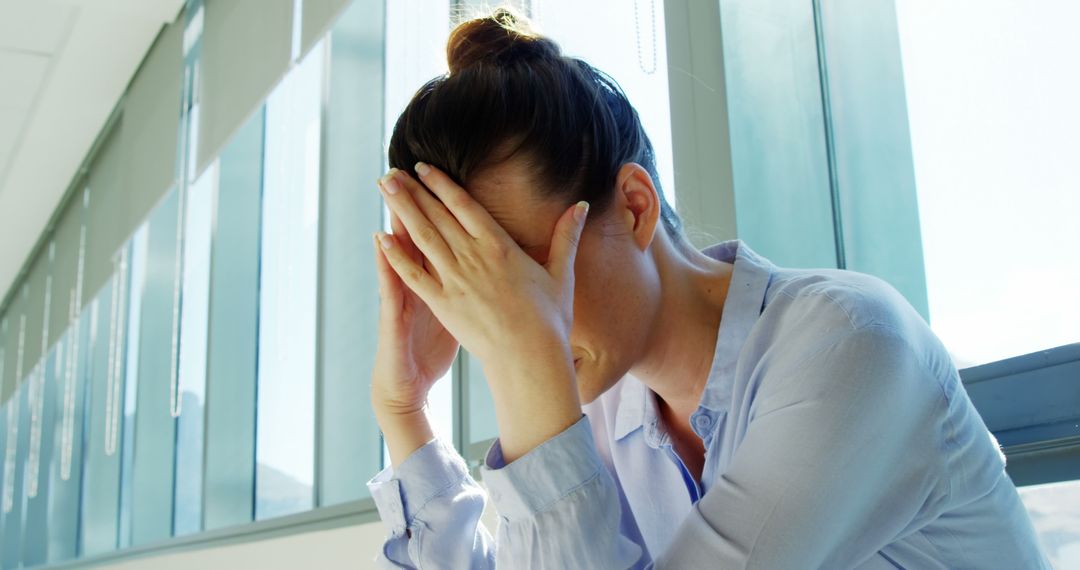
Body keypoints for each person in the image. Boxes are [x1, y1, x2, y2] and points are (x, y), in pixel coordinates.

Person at [365, 7, 1050, 569]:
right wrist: (405, 411)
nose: (515, 324)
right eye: (477, 289)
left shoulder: (850, 348)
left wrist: (530, 375)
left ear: (635, 206)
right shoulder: (605, 415)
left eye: (521, 275)